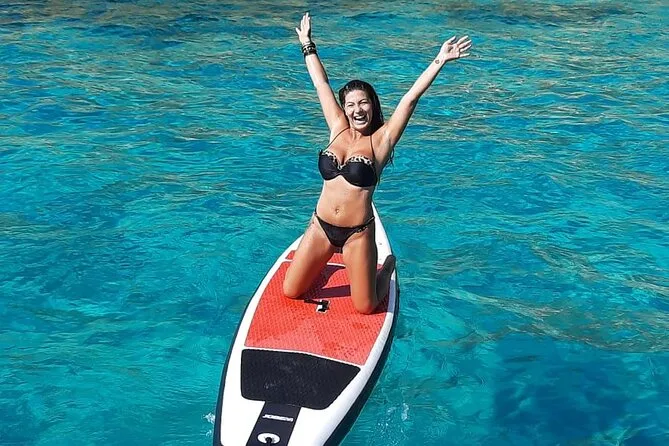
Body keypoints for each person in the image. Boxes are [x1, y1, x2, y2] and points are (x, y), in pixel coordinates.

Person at [282, 12, 472, 314]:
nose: (357, 110)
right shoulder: (337, 127)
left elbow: (410, 99)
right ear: (344, 108)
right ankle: (323, 263)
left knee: (366, 307)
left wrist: (440, 59)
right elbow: (321, 83)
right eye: (351, 104)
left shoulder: (382, 140)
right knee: (290, 291)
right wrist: (307, 44)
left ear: (372, 105)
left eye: (363, 102)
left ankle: (386, 268)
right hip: (320, 226)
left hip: (357, 233)